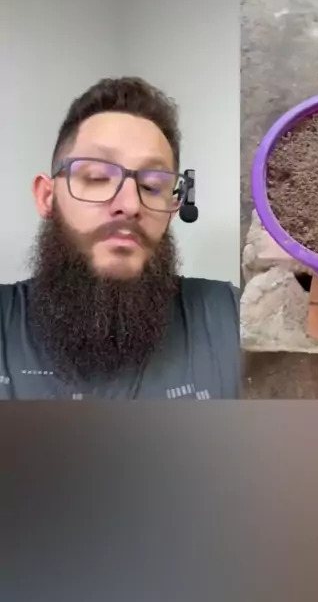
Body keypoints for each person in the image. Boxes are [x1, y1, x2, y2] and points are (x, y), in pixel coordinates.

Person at [0, 77, 240, 399]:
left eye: (152, 186)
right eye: (97, 177)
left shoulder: (229, 315)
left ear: (172, 209)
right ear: (47, 197)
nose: (130, 205)